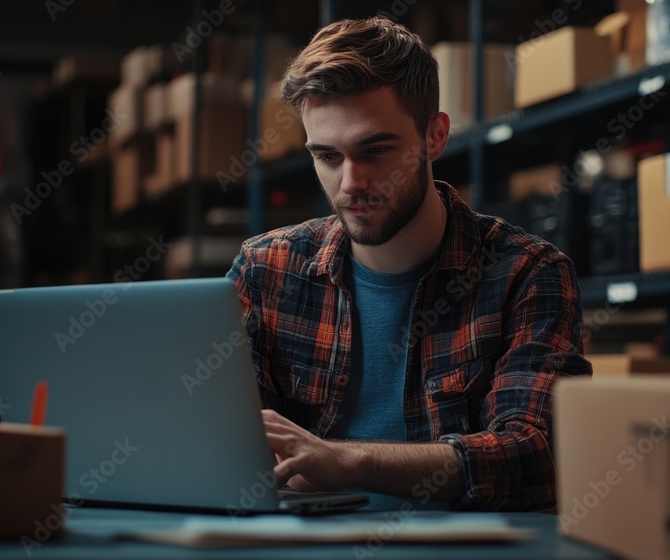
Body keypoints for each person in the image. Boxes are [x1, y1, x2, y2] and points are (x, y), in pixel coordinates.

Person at [226, 15, 591, 512]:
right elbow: (215, 438)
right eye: (328, 156)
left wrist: (348, 460)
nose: (350, 183)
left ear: (435, 136)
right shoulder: (265, 269)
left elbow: (538, 455)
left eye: (376, 150)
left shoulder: (527, 274)